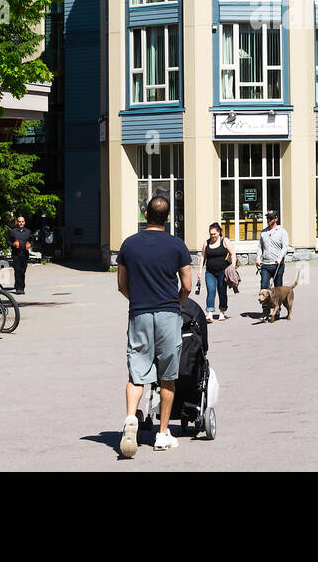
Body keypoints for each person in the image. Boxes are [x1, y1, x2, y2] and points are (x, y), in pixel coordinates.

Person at [117, 194, 192, 457]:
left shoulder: (128, 245)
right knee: (168, 377)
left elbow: (121, 286)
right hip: (168, 314)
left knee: (136, 373)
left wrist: (138, 300)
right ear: (168, 219)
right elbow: (187, 285)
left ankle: (130, 418)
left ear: (146, 215)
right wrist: (177, 303)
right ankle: (162, 434)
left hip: (139, 313)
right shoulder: (177, 245)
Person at [199, 223, 233, 322]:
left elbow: (233, 253)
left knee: (222, 292)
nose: (213, 236)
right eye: (211, 234)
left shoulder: (224, 241)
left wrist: (233, 267)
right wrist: (200, 271)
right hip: (210, 272)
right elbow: (202, 257)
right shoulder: (206, 243)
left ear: (219, 232)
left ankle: (222, 312)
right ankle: (209, 314)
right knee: (211, 292)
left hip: (223, 272)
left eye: (214, 234)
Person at [256, 211, 290, 290]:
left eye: (270, 218)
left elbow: (285, 247)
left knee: (278, 289)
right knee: (264, 287)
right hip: (265, 264)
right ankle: (264, 302)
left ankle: (277, 302)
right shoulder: (263, 232)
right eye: (267, 218)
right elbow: (260, 246)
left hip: (277, 265)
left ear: (276, 219)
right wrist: (258, 258)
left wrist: (280, 257)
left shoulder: (282, 232)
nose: (268, 220)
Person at [7, 215, 34, 295]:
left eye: (22, 221)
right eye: (19, 221)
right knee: (17, 270)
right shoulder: (13, 232)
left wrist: (30, 245)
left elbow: (32, 240)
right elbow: (8, 241)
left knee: (23, 271)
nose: (21, 223)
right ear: (17, 222)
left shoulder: (28, 232)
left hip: (25, 254)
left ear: (24, 222)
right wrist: (13, 244)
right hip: (16, 254)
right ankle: (19, 288)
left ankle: (21, 286)